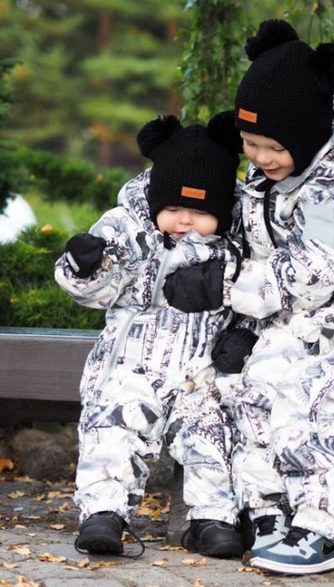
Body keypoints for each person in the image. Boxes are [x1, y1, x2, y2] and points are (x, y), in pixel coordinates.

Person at [163, 19, 334, 575]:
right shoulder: (276, 175)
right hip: (298, 317)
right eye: (250, 144)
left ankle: (327, 529)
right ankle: (270, 511)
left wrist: (222, 287)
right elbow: (259, 249)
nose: (260, 157)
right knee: (250, 385)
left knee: (316, 395)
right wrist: (243, 326)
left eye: (274, 146)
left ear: (308, 135)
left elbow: (313, 269)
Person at [54, 112, 253, 559]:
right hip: (131, 363)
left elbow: (259, 298)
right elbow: (101, 290)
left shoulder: (238, 244)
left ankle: (213, 519)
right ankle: (103, 514)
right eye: (175, 209)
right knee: (112, 426)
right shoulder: (128, 229)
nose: (185, 221)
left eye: (200, 212)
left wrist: (243, 336)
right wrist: (85, 268)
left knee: (213, 433)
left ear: (221, 211)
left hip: (203, 368)